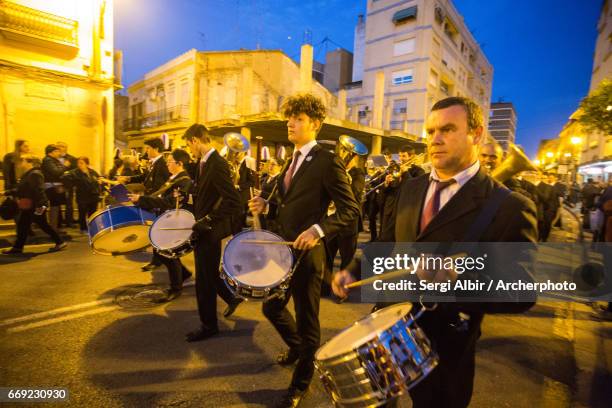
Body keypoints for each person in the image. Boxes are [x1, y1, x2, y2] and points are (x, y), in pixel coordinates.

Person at [333, 96, 538, 408]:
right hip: (387, 329)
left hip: (445, 349)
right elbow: (388, 242)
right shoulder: (412, 188)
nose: (435, 139)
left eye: (448, 129)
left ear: (477, 134)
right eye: (430, 131)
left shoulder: (511, 207)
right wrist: (354, 268)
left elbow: (523, 291)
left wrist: (455, 279)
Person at [248, 94, 359, 407]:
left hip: (309, 256)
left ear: (316, 125)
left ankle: (300, 384)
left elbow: (351, 209)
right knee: (271, 307)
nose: (290, 123)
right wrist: (266, 204)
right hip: (283, 251)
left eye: (297, 118)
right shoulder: (290, 159)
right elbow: (288, 204)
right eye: (289, 118)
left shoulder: (327, 160)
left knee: (309, 321)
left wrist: (318, 230)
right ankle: (299, 350)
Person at [182, 124, 243, 342]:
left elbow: (234, 202)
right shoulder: (203, 162)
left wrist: (208, 220)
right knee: (208, 276)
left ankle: (209, 326)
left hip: (210, 230)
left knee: (204, 282)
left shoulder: (217, 163)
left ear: (196, 140)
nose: (190, 150)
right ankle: (231, 299)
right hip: (203, 229)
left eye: (189, 145)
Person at [129, 149, 194, 302]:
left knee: (167, 254)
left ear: (179, 163)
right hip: (165, 219)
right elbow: (160, 197)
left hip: (173, 222)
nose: (167, 164)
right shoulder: (173, 178)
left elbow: (169, 203)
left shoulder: (183, 181)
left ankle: (176, 288)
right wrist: (141, 199)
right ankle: (183, 273)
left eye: (170, 161)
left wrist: (142, 199)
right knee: (161, 252)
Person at [121, 138, 170, 271]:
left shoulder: (162, 165)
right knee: (154, 232)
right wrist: (129, 178)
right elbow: (146, 178)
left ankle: (159, 260)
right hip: (151, 201)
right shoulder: (154, 163)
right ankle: (158, 259)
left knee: (157, 232)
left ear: (156, 149)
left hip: (157, 203)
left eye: (148, 148)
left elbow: (162, 186)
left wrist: (147, 199)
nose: (145, 151)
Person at [2, 155, 66, 254]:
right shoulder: (30, 174)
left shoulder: (34, 174)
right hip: (31, 204)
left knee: (40, 224)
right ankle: (18, 247)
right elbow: (22, 189)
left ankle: (60, 241)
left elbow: (39, 191)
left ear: (30, 163)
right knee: (24, 225)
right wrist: (7, 192)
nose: (21, 163)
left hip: (35, 205)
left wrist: (40, 207)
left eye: (23, 160)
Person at [61, 157, 101, 233]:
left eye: (81, 163)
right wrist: (70, 186)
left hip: (93, 196)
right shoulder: (75, 172)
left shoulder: (92, 172)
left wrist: (99, 185)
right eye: (78, 163)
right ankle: (83, 228)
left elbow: (99, 179)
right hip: (82, 196)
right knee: (82, 213)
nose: (79, 165)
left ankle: (92, 228)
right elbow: (64, 177)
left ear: (87, 164)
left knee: (92, 213)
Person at [41, 144, 67, 230]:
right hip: (52, 187)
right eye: (57, 151)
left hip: (55, 186)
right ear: (51, 152)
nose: (59, 152)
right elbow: (56, 172)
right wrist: (65, 166)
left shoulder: (53, 160)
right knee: (54, 206)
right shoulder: (48, 160)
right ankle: (53, 228)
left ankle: (54, 226)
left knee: (55, 207)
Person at [55, 142, 78, 227]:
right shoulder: (53, 158)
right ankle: (59, 222)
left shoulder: (72, 159)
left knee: (69, 204)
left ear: (66, 148)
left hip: (68, 185)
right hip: (57, 184)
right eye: (58, 146)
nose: (60, 148)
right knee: (57, 203)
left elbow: (75, 172)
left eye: (62, 146)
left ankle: (69, 222)